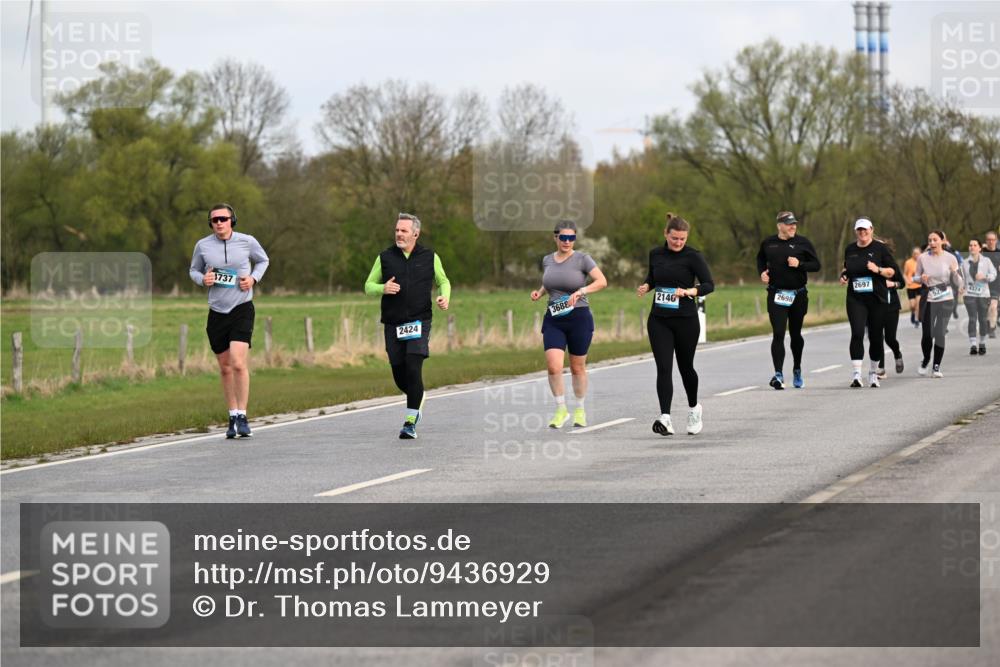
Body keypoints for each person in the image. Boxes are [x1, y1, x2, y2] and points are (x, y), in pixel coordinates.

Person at [364, 213, 450, 439]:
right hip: (393, 322)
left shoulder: (430, 257)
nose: (399, 234)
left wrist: (444, 297)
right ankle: (417, 395)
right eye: (397, 230)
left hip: (419, 320)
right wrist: (382, 289)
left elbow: (443, 281)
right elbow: (368, 285)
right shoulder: (385, 257)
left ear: (415, 233)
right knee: (399, 374)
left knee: (413, 366)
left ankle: (410, 422)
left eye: (403, 230)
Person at [189, 203, 270, 438]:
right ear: (211, 223)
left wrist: (253, 279)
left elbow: (263, 260)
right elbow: (193, 270)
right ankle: (232, 415)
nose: (219, 223)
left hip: (242, 308)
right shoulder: (202, 246)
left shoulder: (247, 241)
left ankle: (243, 416)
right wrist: (203, 279)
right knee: (225, 368)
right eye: (215, 220)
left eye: (223, 219)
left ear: (232, 220)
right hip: (217, 311)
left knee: (237, 362)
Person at [637, 213, 714, 435]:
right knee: (663, 367)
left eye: (682, 239)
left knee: (685, 367)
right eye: (674, 238)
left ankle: (694, 409)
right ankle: (666, 417)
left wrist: (691, 291)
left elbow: (709, 284)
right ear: (666, 234)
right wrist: (646, 286)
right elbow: (653, 277)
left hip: (686, 321)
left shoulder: (693, 256)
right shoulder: (655, 254)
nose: (678, 243)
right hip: (659, 320)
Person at [531, 221, 608, 428]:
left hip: (579, 317)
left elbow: (601, 281)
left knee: (577, 368)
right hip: (554, 318)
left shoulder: (583, 259)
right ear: (555, 237)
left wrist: (581, 291)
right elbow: (550, 282)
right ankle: (561, 409)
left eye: (571, 238)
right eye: (563, 237)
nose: (567, 242)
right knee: (554, 367)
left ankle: (580, 409)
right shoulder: (547, 260)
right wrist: (539, 292)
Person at [755, 210, 821, 389]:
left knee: (795, 334)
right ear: (779, 226)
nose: (793, 226)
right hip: (777, 294)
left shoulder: (803, 243)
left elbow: (816, 265)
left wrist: (800, 264)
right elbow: (760, 259)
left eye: (794, 224)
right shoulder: (769, 243)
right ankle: (778, 374)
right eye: (789, 223)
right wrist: (762, 273)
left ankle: (797, 369)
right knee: (778, 333)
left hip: (798, 294)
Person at [839, 218, 898, 388]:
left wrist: (878, 270)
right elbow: (847, 268)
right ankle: (857, 374)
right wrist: (844, 276)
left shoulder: (881, 248)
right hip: (856, 297)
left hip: (876, 297)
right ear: (855, 231)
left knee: (875, 336)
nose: (862, 233)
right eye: (859, 230)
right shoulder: (850, 249)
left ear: (871, 229)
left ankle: (873, 373)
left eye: (865, 229)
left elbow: (892, 271)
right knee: (857, 333)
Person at [914, 230, 962, 377]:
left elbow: (959, 282)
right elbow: (914, 278)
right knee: (927, 335)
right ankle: (926, 359)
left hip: (946, 299)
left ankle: (936, 367)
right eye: (930, 240)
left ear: (942, 241)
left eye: (935, 240)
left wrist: (954, 273)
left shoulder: (950, 258)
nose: (932, 243)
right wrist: (921, 278)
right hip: (929, 299)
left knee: (940, 333)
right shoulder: (922, 258)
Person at [962, 238, 997, 355]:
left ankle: (982, 343)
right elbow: (961, 278)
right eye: (970, 245)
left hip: (983, 294)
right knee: (972, 318)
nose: (972, 247)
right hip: (969, 294)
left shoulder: (986, 261)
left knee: (982, 319)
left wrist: (985, 277)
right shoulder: (965, 263)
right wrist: (960, 286)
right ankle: (972, 345)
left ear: (980, 248)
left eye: (975, 245)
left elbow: (994, 274)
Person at [876, 237, 905, 377]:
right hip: (875, 305)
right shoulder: (871, 266)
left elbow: (902, 283)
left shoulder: (892, 266)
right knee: (877, 337)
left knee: (889, 338)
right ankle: (880, 368)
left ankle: (897, 353)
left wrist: (892, 284)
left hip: (891, 305)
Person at [983, 230, 1000, 339]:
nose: (990, 242)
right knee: (985, 308)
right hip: (982, 285)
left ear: (996, 241)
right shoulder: (981, 253)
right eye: (988, 240)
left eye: (993, 240)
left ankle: (992, 329)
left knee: (993, 307)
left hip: (996, 285)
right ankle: (988, 324)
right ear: (986, 241)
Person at [903, 246, 923, 328]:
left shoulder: (922, 262)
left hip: (919, 286)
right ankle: (913, 313)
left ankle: (917, 320)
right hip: (910, 286)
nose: (916, 255)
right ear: (912, 254)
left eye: (918, 253)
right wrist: (907, 281)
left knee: (918, 304)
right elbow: (904, 274)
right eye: (915, 254)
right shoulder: (908, 262)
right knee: (912, 305)